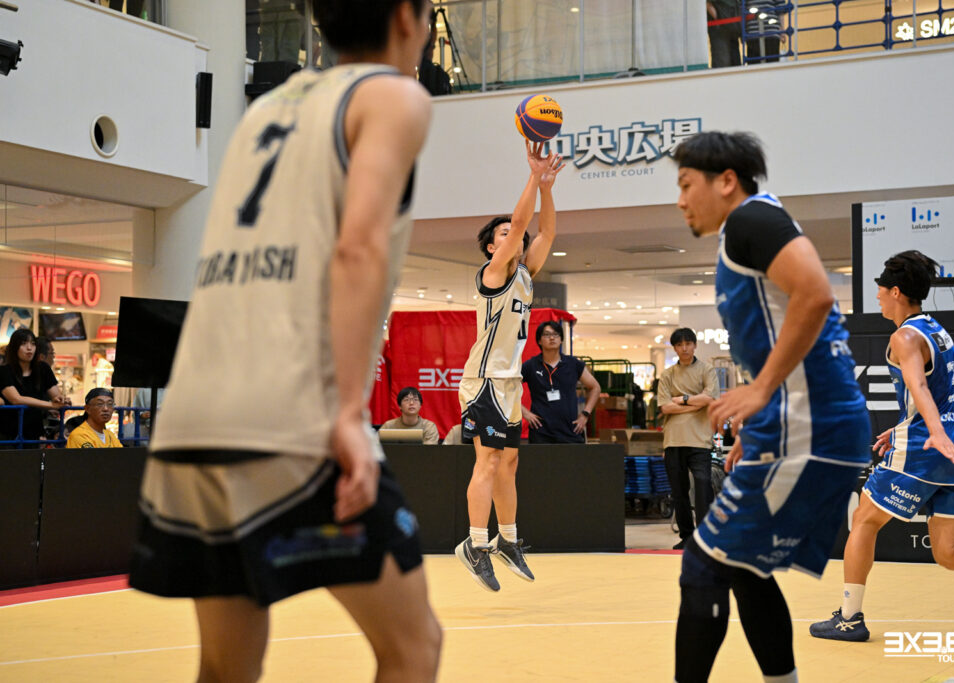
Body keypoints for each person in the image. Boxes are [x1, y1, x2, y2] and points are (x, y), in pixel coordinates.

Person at [126, 2, 442, 682]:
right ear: (405, 17)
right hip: (289, 413)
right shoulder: (393, 97)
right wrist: (349, 413)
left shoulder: (266, 109)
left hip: (191, 418)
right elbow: (357, 249)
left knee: (225, 666)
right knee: (414, 647)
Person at [671, 131, 871, 683]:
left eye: (686, 185)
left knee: (703, 564)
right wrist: (754, 422)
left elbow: (816, 293)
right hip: (799, 426)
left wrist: (760, 391)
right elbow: (780, 328)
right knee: (744, 568)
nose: (680, 200)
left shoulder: (751, 220)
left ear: (726, 181)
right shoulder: (750, 228)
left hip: (810, 426)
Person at [810, 251, 954, 642]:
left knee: (864, 519)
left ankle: (849, 619)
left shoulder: (904, 336)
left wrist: (932, 431)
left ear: (895, 291)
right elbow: (938, 391)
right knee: (950, 554)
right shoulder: (936, 330)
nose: (876, 295)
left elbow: (919, 385)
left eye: (880, 288)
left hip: (928, 445)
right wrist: (907, 426)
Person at [455, 141, 565, 592]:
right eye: (502, 234)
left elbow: (546, 233)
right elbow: (522, 224)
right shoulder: (494, 274)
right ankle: (475, 545)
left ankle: (507, 539)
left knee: (510, 462)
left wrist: (548, 189)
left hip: (509, 382)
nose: (513, 236)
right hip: (484, 380)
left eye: (511, 233)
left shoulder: (523, 274)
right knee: (487, 462)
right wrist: (533, 177)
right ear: (491, 248)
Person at [657, 327, 720, 550]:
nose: (684, 348)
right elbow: (665, 407)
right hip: (673, 440)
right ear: (674, 348)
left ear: (695, 345)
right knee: (679, 491)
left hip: (700, 439)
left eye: (688, 344)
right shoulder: (667, 375)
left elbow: (710, 398)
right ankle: (687, 536)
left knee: (703, 487)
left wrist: (682, 400)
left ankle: (704, 537)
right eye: (679, 345)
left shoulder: (706, 370)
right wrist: (695, 404)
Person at [521, 321, 600, 444]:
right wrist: (525, 413)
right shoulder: (531, 365)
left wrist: (585, 414)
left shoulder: (573, 364)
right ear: (539, 341)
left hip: (571, 430)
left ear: (561, 339)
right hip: (541, 432)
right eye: (547, 334)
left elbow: (595, 387)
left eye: (556, 334)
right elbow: (508, 388)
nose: (552, 338)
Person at [0, 328, 68, 445]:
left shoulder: (43, 368)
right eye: (23, 344)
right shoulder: (4, 371)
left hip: (35, 431)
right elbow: (16, 399)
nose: (29, 348)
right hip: (9, 433)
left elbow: (56, 395)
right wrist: (50, 405)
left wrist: (61, 400)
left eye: (32, 344)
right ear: (14, 348)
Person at [417, 9, 451, 96]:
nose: (433, 50)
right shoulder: (426, 68)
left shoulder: (426, 67)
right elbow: (432, 37)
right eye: (432, 48)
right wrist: (433, 22)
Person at [707, 0, 742, 68]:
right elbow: (707, 3)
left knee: (735, 61)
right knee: (722, 61)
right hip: (720, 27)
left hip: (732, 24)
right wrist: (718, 18)